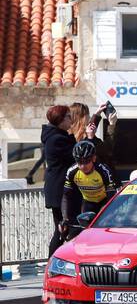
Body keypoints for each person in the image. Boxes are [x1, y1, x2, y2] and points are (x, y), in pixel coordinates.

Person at [61, 140, 118, 238]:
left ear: (94, 158)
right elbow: (66, 197)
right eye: (79, 162)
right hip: (88, 202)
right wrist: (65, 219)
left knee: (102, 229)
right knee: (81, 234)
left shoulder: (103, 171)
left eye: (87, 161)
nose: (83, 166)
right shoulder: (72, 172)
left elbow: (111, 198)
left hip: (105, 202)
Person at [41, 104, 77, 255]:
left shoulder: (56, 136)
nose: (71, 120)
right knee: (62, 229)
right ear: (61, 120)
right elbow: (75, 154)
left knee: (62, 229)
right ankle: (53, 263)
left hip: (59, 190)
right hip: (60, 191)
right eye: (68, 116)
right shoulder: (57, 139)